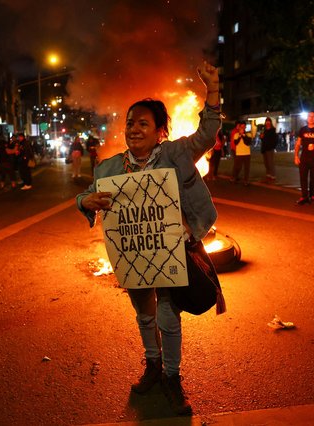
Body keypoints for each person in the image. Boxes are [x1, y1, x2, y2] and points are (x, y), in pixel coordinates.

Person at [76, 61, 221, 416]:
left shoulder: (176, 154)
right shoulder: (108, 168)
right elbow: (86, 196)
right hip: (134, 254)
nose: (134, 129)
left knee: (169, 315)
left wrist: (213, 89)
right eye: (130, 123)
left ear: (159, 131)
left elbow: (208, 132)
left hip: (173, 250)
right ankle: (152, 365)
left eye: (143, 123)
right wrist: (86, 201)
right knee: (144, 314)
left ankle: (172, 376)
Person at [230, 119, 251, 185]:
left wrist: (243, 135)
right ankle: (234, 177)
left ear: (245, 127)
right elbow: (236, 142)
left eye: (244, 126)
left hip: (247, 153)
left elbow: (248, 142)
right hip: (239, 153)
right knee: (238, 167)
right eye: (241, 126)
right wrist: (240, 135)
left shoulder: (248, 134)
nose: (242, 128)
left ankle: (246, 180)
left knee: (246, 168)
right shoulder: (236, 134)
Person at [260, 117, 277, 183]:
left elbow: (275, 140)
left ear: (270, 122)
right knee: (266, 162)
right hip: (264, 148)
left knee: (270, 162)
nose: (267, 123)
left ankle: (273, 174)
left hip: (270, 148)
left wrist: (272, 146)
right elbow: (263, 139)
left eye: (268, 121)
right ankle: (268, 173)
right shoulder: (264, 130)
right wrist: (261, 137)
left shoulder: (273, 130)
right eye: (266, 121)